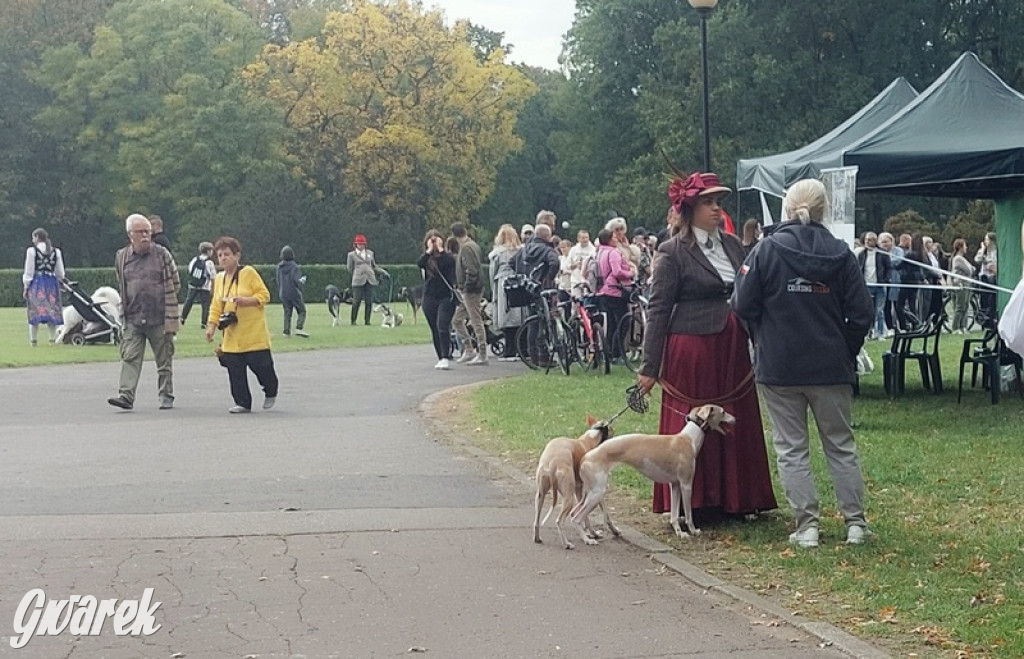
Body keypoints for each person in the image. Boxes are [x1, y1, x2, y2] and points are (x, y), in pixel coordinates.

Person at [733, 178, 873, 548]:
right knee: (841, 444)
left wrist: (762, 334)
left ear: (785, 207)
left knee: (791, 447)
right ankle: (855, 523)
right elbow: (862, 313)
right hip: (830, 366)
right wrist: (845, 348)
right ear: (825, 209)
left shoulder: (766, 250)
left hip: (779, 365)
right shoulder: (841, 253)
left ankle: (807, 525)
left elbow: (742, 304)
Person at [638, 171, 777, 520]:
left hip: (732, 344)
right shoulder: (672, 252)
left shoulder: (732, 244)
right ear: (690, 209)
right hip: (693, 347)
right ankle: (695, 502)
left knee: (734, 415)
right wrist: (650, 367)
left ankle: (739, 498)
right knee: (695, 421)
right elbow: (658, 309)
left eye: (718, 202)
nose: (716, 209)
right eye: (708, 202)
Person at [108, 214, 181, 411]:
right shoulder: (122, 256)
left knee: (164, 359)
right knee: (130, 357)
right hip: (133, 316)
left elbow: (176, 281)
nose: (145, 236)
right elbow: (121, 281)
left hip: (159, 317)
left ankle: (166, 395)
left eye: (148, 231)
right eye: (140, 232)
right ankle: (126, 395)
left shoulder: (162, 254)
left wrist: (168, 304)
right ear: (130, 235)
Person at [205, 236, 279, 413]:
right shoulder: (220, 278)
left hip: (253, 334)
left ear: (237, 255)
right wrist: (211, 326)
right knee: (235, 370)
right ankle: (242, 402)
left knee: (262, 367)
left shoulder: (248, 273)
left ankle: (270, 390)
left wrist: (249, 301)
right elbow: (216, 305)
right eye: (220, 255)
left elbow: (265, 295)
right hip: (232, 335)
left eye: (227, 254)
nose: (223, 258)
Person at [418, 229, 459, 369]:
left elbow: (448, 265)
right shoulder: (426, 258)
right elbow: (420, 263)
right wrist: (429, 250)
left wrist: (441, 250)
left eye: (436, 239)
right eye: (431, 240)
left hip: (445, 296)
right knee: (434, 327)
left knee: (442, 325)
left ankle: (446, 356)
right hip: (430, 296)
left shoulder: (448, 257)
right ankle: (440, 356)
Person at [451, 222, 488, 365]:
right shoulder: (473, 245)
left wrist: (465, 286)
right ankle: (469, 348)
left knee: (475, 320)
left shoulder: (466, 248)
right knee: (457, 320)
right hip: (471, 289)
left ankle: (482, 352)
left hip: (471, 290)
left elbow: (472, 270)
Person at [594, 228, 633, 363]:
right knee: (623, 322)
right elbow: (617, 272)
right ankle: (617, 353)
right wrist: (630, 273)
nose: (616, 239)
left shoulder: (599, 252)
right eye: (614, 237)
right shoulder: (613, 252)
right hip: (615, 290)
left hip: (602, 291)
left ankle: (609, 352)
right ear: (610, 240)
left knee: (610, 324)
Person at [22, 228, 66, 346]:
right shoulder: (56, 252)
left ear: (37, 237)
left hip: (37, 283)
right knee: (52, 311)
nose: (32, 240)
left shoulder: (32, 251)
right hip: (51, 283)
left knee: (34, 311)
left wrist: (26, 286)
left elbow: (29, 271)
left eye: (33, 238)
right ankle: (52, 340)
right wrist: (61, 282)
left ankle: (33, 341)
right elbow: (60, 272)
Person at [488, 224, 525, 360]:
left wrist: (493, 289)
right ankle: (522, 349)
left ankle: (510, 350)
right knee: (520, 317)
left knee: (507, 317)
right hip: (519, 283)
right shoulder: (521, 251)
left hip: (503, 284)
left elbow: (493, 272)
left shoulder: (497, 253)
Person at [857, 232, 892, 340]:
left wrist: (885, 280)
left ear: (875, 241)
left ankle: (880, 333)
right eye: (866, 239)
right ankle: (867, 333)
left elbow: (889, 268)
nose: (867, 242)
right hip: (867, 286)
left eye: (870, 240)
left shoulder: (882, 253)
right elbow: (858, 269)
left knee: (879, 311)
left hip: (880, 286)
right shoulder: (862, 254)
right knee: (867, 311)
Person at [347, 234, 387, 326]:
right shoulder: (351, 255)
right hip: (358, 280)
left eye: (363, 244)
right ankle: (353, 321)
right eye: (359, 244)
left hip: (370, 279)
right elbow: (350, 268)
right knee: (356, 301)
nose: (361, 246)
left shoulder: (370, 253)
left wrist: (383, 272)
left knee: (369, 301)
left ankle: (367, 321)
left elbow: (374, 266)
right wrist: (358, 273)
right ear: (355, 245)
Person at [181, 241, 216, 329]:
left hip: (193, 284)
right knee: (205, 305)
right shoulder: (209, 262)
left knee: (189, 301)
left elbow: (190, 270)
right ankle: (204, 323)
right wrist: (213, 289)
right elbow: (213, 276)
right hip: (205, 286)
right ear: (208, 251)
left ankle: (183, 317)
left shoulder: (194, 259)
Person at [277, 245, 309, 338]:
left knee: (287, 312)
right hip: (294, 292)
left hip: (283, 292)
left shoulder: (279, 267)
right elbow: (296, 280)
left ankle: (286, 332)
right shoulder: (294, 267)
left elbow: (278, 280)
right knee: (302, 310)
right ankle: (299, 327)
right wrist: (302, 281)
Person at [877, 232, 902, 336]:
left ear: (891, 241)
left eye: (886, 241)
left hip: (897, 280)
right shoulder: (879, 252)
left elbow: (898, 261)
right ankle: (889, 327)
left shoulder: (898, 251)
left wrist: (886, 261)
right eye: (882, 242)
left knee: (898, 305)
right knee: (885, 305)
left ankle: (901, 326)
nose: (884, 244)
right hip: (885, 281)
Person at [950, 238, 976, 334]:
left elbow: (972, 268)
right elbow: (969, 270)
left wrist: (971, 268)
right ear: (960, 247)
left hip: (966, 284)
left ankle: (963, 326)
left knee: (965, 306)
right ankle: (955, 327)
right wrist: (971, 268)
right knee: (960, 306)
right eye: (965, 245)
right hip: (960, 284)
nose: (966, 247)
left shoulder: (962, 259)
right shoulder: (958, 258)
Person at [975, 232, 998, 326]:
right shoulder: (983, 250)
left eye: (987, 239)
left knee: (991, 299)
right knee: (983, 299)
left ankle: (991, 319)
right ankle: (984, 321)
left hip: (992, 276)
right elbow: (977, 259)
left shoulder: (996, 251)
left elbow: (995, 262)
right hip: (984, 276)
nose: (985, 241)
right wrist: (983, 249)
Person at [567, 230, 596, 297]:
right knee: (576, 302)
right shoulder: (573, 250)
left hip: (588, 281)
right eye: (583, 238)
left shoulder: (593, 250)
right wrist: (575, 265)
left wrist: (585, 266)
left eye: (587, 237)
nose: (585, 240)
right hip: (575, 280)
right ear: (578, 239)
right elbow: (568, 265)